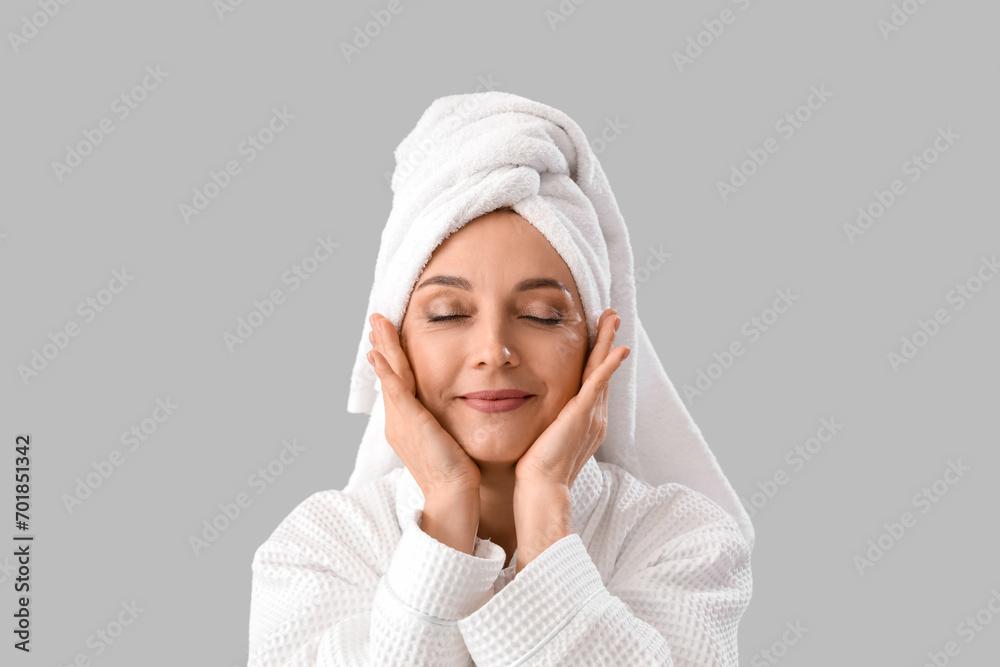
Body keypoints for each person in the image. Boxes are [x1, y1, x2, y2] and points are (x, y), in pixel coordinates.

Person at [247, 91, 754, 666]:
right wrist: (444, 511)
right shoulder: (319, 546)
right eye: (447, 314)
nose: (494, 351)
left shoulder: (680, 541)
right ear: (392, 343)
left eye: (541, 315)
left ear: (597, 343)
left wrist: (546, 516)